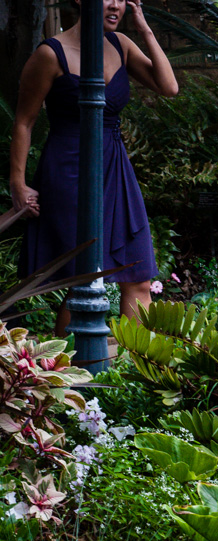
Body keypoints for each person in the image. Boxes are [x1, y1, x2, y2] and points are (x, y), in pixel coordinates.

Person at [9, 0, 178, 336]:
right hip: (69, 171)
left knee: (139, 278)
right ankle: (65, 380)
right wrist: (18, 183)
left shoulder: (121, 45)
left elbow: (169, 87)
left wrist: (143, 28)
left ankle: (134, 375)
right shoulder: (50, 53)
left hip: (116, 168)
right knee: (83, 281)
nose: (115, 4)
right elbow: (24, 122)